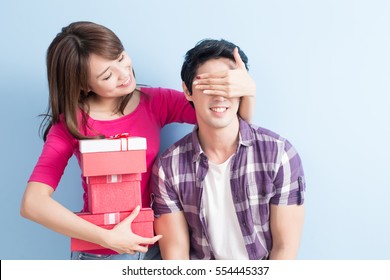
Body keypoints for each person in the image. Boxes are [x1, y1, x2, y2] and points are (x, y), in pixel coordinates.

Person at [19, 22, 256, 260]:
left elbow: (228, 122)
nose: (124, 74)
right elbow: (33, 203)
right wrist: (108, 238)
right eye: (107, 75)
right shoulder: (70, 125)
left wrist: (248, 91)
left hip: (156, 247)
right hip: (104, 255)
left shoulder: (155, 101)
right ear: (83, 85)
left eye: (121, 58)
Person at [151, 39, 306, 260]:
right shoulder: (169, 167)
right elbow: (176, 256)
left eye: (228, 84)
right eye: (208, 84)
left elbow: (285, 249)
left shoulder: (279, 155)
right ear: (187, 91)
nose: (219, 94)